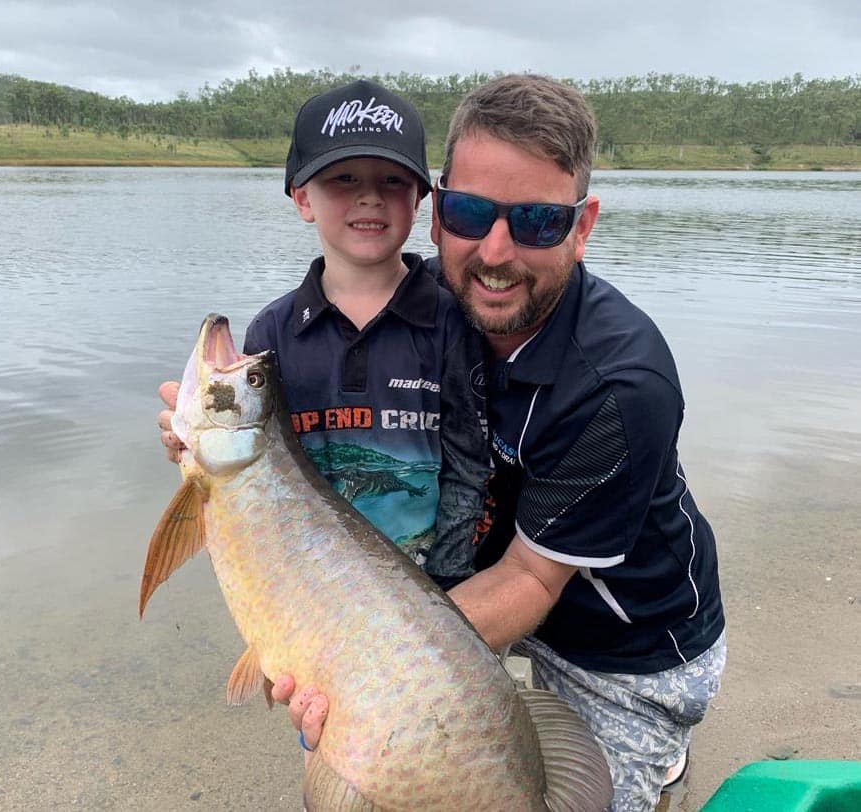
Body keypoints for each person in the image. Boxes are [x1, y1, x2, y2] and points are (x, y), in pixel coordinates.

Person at [263, 74, 727, 812]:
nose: (497, 253)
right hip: (470, 594)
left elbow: (532, 581)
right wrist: (217, 441)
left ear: (583, 225)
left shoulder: (619, 386)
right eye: (473, 213)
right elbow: (311, 376)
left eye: (539, 221)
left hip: (622, 646)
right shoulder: (439, 304)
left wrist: (354, 664)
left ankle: (658, 751)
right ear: (439, 212)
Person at [157, 78, 491, 753]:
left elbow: (471, 470)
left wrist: (450, 607)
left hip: (437, 619)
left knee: (467, 753)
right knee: (346, 761)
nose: (368, 196)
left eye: (390, 180)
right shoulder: (274, 332)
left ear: (422, 201)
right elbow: (267, 487)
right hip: (323, 618)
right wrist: (196, 451)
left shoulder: (455, 319)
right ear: (302, 199)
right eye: (342, 179)